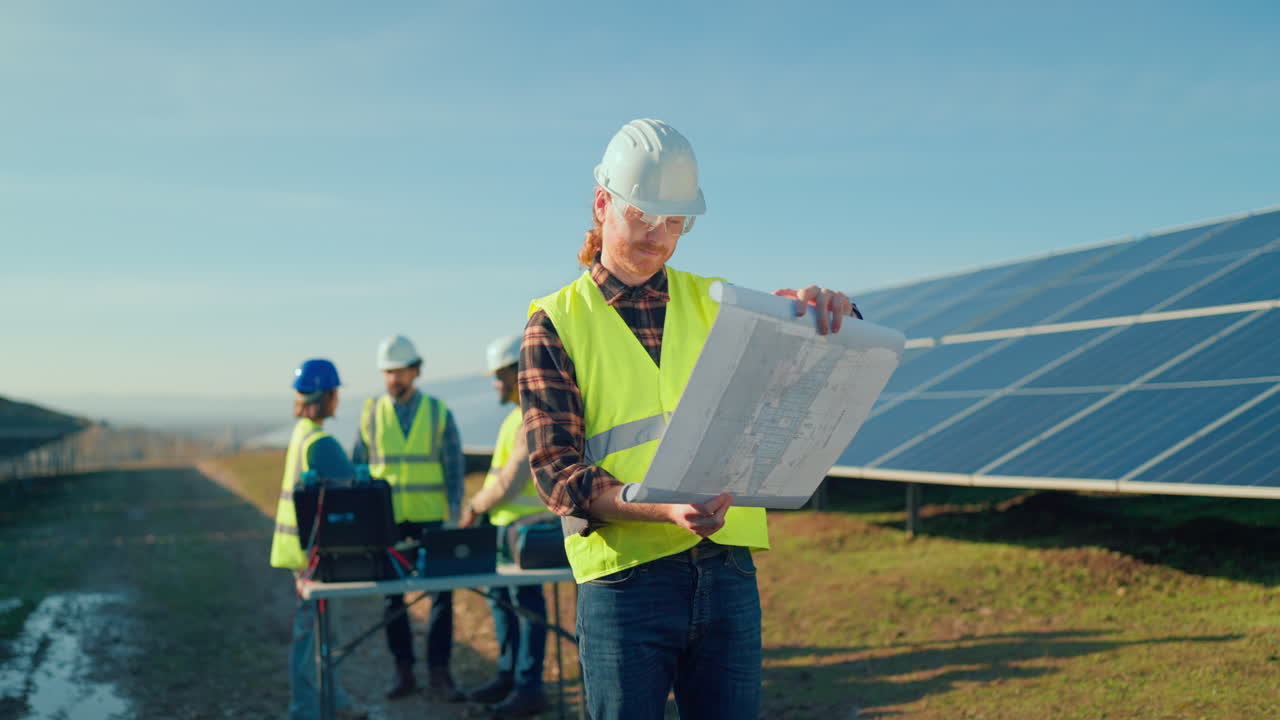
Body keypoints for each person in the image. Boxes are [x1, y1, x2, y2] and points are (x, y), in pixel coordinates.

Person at [519, 118, 862, 720]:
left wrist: (835, 313)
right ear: (603, 205)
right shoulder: (556, 321)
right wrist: (657, 508)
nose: (658, 236)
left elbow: (813, 372)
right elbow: (555, 473)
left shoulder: (719, 302)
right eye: (643, 216)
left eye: (674, 221)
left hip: (727, 572)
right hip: (625, 584)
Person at [351, 334, 465, 702]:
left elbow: (454, 470)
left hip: (432, 521)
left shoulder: (437, 412)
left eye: (398, 371)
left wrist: (453, 517)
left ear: (415, 371)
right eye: (387, 372)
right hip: (388, 525)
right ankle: (404, 672)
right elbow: (359, 471)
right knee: (392, 600)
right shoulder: (370, 414)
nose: (392, 379)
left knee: (441, 597)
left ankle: (439, 672)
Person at [459, 334, 551, 718]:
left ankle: (528, 687)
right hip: (506, 530)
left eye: (499, 375)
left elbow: (510, 480)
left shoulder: (531, 415)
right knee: (504, 607)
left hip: (526, 532)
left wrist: (474, 505)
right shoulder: (515, 415)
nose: (495, 383)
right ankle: (509, 676)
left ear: (518, 371)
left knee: (526, 609)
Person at [269, 358, 364, 720]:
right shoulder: (321, 442)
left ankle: (334, 703)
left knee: (323, 635)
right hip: (311, 557)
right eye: (336, 393)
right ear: (328, 396)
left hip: (299, 553)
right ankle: (306, 711)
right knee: (311, 641)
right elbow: (354, 486)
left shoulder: (301, 433)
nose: (338, 400)